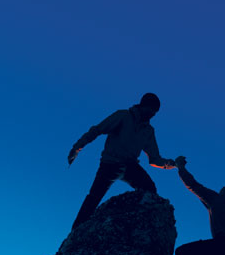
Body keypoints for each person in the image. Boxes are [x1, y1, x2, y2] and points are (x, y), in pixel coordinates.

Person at [68, 93, 176, 228]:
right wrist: (77, 148)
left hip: (131, 167)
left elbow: (154, 159)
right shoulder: (123, 116)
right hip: (110, 164)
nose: (153, 114)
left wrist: (172, 164)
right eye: (151, 110)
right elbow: (97, 130)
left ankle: (137, 226)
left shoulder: (148, 130)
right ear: (143, 105)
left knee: (149, 189)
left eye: (155, 112)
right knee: (94, 197)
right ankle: (76, 231)